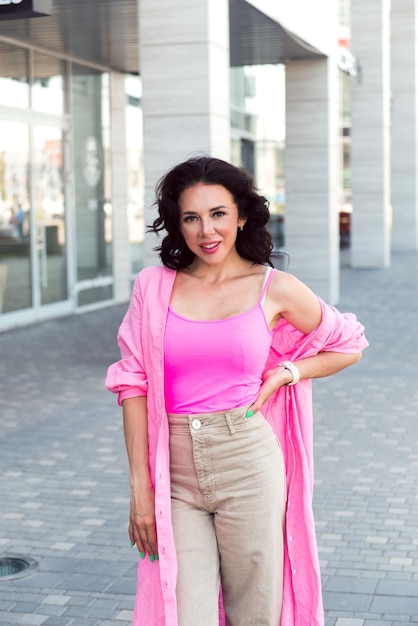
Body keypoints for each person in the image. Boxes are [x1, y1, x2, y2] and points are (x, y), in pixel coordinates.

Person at [105, 156, 368, 626]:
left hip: (247, 462)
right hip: (175, 471)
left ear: (241, 215)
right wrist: (140, 491)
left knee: (256, 614)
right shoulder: (153, 287)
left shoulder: (274, 287)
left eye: (218, 214)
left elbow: (349, 345)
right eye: (191, 217)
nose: (207, 230)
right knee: (186, 613)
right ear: (177, 226)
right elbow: (134, 383)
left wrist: (287, 372)